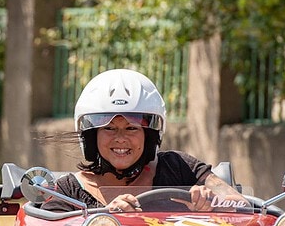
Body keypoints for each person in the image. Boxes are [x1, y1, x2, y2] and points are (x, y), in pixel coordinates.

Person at [41, 68, 244, 213]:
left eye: (131, 128)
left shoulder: (179, 168)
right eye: (109, 128)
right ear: (91, 136)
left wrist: (212, 203)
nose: (120, 139)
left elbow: (243, 206)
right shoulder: (68, 192)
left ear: (150, 135)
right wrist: (102, 220)